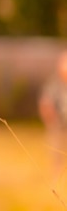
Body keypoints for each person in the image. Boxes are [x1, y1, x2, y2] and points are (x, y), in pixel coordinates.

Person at [39, 51, 67, 181]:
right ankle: (57, 176)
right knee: (57, 152)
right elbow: (45, 102)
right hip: (58, 124)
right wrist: (50, 118)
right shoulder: (54, 83)